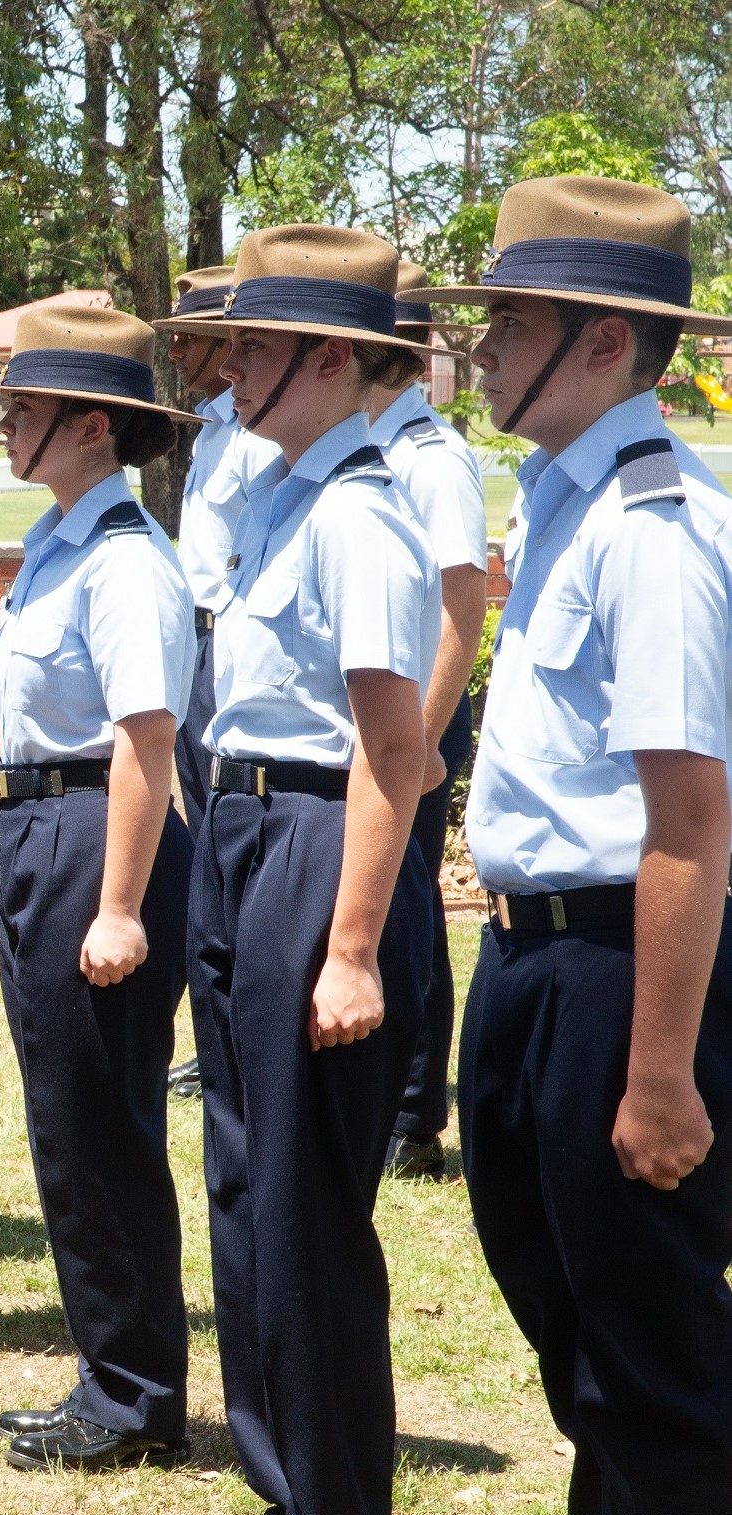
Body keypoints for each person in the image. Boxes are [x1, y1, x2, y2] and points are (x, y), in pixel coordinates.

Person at [406, 176, 732, 1515]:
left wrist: (659, 1072)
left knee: (649, 1351)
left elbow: (687, 822)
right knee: (577, 1324)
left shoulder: (652, 529)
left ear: (605, 342)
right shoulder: (571, 503)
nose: (479, 349)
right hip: (531, 950)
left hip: (619, 962)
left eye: (512, 323)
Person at [137, 225, 442, 1515]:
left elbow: (395, 755)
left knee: (307, 1210)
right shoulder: (274, 495)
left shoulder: (364, 514)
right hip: (243, 827)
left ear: (333, 359)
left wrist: (356, 944)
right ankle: (283, 1507)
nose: (227, 367)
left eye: (255, 347)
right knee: (247, 1187)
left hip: (318, 837)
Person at [0, 305, 198, 1470]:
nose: (4, 422)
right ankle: (108, 1371)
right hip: (41, 829)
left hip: (93, 836)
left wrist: (116, 904)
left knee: (98, 1117)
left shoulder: (123, 560)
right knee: (66, 1116)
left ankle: (132, 1393)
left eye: (23, 407)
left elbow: (144, 743)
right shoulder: (62, 540)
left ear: (92, 427)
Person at [370, 265, 488, 1181]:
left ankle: (413, 1115)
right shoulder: (361, 447)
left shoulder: (428, 455)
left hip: (414, 714)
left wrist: (420, 737)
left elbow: (462, 600)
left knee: (406, 905)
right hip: (375, 716)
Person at [159, 259, 280, 1100]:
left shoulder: (258, 433)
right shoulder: (210, 425)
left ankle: (240, 1028)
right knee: (207, 845)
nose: (183, 355)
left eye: (194, 340)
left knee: (233, 847)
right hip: (193, 643)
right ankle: (218, 1033)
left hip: (228, 643)